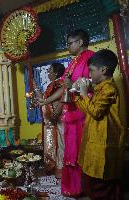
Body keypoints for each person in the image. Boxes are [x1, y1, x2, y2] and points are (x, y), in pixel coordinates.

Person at [74, 49, 124, 200]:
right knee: (91, 182)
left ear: (103, 70)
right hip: (95, 141)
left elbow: (95, 112)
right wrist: (77, 95)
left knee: (101, 183)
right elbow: (89, 110)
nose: (89, 75)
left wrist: (84, 93)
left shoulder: (109, 88)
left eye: (91, 70)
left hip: (105, 144)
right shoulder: (99, 89)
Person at [61, 29, 95, 197]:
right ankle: (74, 188)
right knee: (71, 152)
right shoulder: (73, 61)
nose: (68, 46)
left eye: (70, 43)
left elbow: (95, 83)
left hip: (84, 113)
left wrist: (72, 84)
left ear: (80, 42)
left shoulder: (91, 57)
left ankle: (86, 189)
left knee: (82, 152)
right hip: (72, 112)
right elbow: (64, 84)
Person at [35, 63, 65, 179]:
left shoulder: (59, 84)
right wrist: (36, 88)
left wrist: (57, 109)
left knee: (60, 145)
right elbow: (44, 100)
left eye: (50, 70)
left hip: (58, 119)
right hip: (50, 121)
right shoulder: (51, 86)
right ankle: (54, 169)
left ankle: (61, 171)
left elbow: (62, 97)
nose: (48, 73)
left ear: (56, 72)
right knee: (52, 145)